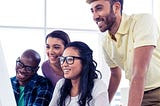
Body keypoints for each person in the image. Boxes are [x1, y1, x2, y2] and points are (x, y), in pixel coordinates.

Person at [86, 0, 160, 106]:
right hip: (141, 95)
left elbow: (139, 73)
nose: (94, 16)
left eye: (99, 8)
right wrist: (105, 103)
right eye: (92, 11)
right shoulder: (106, 42)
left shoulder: (143, 21)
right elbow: (115, 75)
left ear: (116, 7)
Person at [49, 41, 109, 106]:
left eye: (70, 59)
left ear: (84, 62)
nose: (64, 64)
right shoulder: (61, 84)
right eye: (62, 59)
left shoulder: (97, 85)